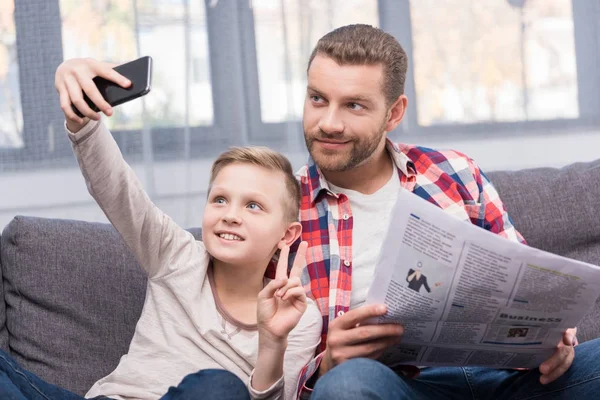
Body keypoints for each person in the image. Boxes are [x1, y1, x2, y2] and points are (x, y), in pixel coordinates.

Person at [285, 24, 600, 399]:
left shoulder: (454, 172)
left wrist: (556, 339)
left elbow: (528, 283)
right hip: (403, 387)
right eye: (318, 99)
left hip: (510, 382)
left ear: (393, 113)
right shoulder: (282, 206)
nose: (329, 123)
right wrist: (325, 366)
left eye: (354, 105)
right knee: (349, 383)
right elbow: (263, 354)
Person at [0, 59, 323, 400]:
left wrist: (272, 342)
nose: (230, 215)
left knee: (219, 386)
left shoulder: (298, 315)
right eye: (220, 200)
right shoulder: (176, 255)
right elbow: (119, 192)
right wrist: (82, 120)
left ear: (287, 235)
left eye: (253, 206)